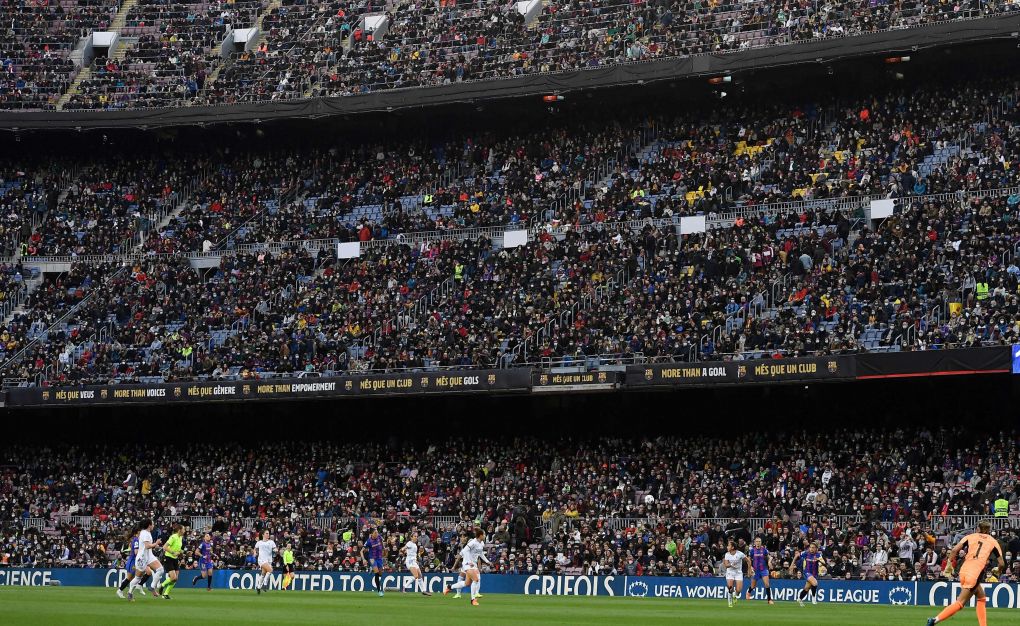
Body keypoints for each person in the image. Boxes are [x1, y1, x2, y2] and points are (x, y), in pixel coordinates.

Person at [927, 520, 1005, 626]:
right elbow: (1001, 564)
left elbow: (954, 550)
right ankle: (934, 620)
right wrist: (998, 570)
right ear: (988, 530)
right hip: (975, 574)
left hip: (964, 570)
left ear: (978, 528)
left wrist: (949, 564)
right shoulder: (993, 541)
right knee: (960, 602)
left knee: (981, 598)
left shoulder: (970, 537)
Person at [445, 529, 488, 606]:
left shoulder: (481, 543)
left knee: (467, 583)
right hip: (467, 564)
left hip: (473, 564)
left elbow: (481, 554)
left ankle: (449, 587)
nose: (485, 536)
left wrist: (487, 561)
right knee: (476, 579)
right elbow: (464, 551)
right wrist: (468, 562)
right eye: (484, 534)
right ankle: (473, 599)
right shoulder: (472, 543)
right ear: (480, 535)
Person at [128, 519, 163, 601]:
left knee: (160, 569)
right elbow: (147, 546)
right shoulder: (145, 533)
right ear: (149, 525)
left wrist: (154, 545)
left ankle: (152, 587)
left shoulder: (146, 533)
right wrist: (156, 543)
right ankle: (130, 593)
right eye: (153, 524)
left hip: (149, 555)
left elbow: (147, 546)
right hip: (142, 557)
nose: (153, 525)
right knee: (137, 578)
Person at [117, 525, 149, 599]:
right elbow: (136, 552)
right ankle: (121, 590)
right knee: (130, 578)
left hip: (136, 560)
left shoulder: (138, 539)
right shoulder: (136, 540)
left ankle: (136, 587)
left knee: (143, 574)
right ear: (137, 532)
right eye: (140, 531)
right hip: (133, 561)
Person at [791, 542, 824, 607]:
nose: (811, 549)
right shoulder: (805, 553)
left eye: (813, 548)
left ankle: (799, 599)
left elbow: (824, 562)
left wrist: (819, 560)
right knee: (815, 583)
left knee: (806, 588)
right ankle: (814, 598)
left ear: (816, 549)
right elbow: (797, 555)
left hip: (814, 573)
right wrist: (792, 564)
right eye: (810, 547)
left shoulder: (818, 555)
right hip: (807, 572)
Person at [401, 529, 431, 596]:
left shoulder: (414, 544)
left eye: (417, 536)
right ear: (411, 537)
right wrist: (404, 551)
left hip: (414, 561)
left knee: (420, 575)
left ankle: (423, 591)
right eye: (415, 536)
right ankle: (405, 586)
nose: (416, 537)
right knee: (416, 576)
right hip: (410, 561)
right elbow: (403, 549)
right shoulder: (409, 543)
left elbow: (411, 552)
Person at [159, 524, 185, 598]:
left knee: (175, 579)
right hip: (168, 558)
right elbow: (164, 547)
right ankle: (162, 585)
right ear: (180, 530)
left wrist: (181, 551)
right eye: (183, 529)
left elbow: (177, 548)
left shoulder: (181, 537)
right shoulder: (173, 537)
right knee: (173, 577)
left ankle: (165, 594)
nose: (184, 531)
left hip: (175, 559)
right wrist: (173, 552)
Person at [746, 537, 774, 604]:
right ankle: (748, 592)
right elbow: (748, 560)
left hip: (763, 569)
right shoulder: (752, 551)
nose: (758, 542)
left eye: (759, 541)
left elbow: (770, 557)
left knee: (767, 584)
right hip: (755, 570)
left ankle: (769, 600)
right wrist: (750, 568)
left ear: (761, 542)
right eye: (757, 541)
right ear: (755, 542)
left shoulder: (764, 550)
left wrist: (769, 562)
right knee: (753, 586)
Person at [722, 541, 751, 608]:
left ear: (732, 547)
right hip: (730, 572)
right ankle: (730, 601)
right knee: (730, 588)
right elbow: (726, 565)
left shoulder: (740, 554)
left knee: (738, 590)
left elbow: (748, 561)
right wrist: (731, 564)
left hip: (738, 573)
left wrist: (749, 570)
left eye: (728, 545)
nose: (727, 547)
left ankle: (735, 594)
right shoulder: (727, 554)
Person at [253, 530, 278, 595]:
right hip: (261, 560)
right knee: (270, 570)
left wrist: (275, 550)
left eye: (268, 533)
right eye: (266, 533)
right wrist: (255, 553)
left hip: (268, 560)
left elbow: (275, 549)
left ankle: (258, 587)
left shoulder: (271, 542)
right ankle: (265, 584)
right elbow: (255, 549)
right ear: (263, 535)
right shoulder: (259, 542)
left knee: (263, 573)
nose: (268, 534)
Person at [363, 528, 386, 597]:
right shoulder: (368, 541)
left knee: (380, 573)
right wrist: (364, 559)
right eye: (375, 532)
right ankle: (379, 591)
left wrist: (384, 548)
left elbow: (382, 543)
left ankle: (372, 568)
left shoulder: (379, 537)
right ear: (371, 534)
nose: (377, 534)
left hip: (379, 558)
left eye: (377, 532)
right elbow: (361, 551)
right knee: (376, 573)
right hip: (372, 558)